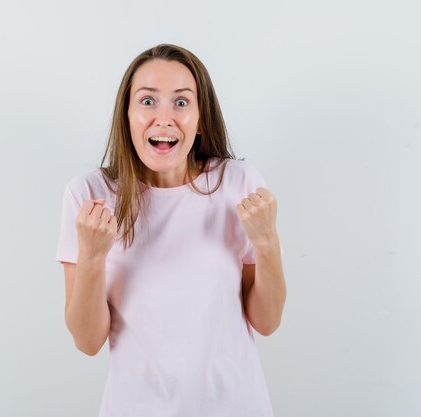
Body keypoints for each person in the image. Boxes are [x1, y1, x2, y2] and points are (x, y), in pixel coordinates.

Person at [54, 43, 286, 417]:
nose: (164, 118)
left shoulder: (238, 182)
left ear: (200, 117)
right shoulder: (89, 195)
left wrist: (267, 243)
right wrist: (93, 256)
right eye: (147, 101)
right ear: (127, 114)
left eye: (181, 102)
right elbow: (87, 340)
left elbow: (267, 321)